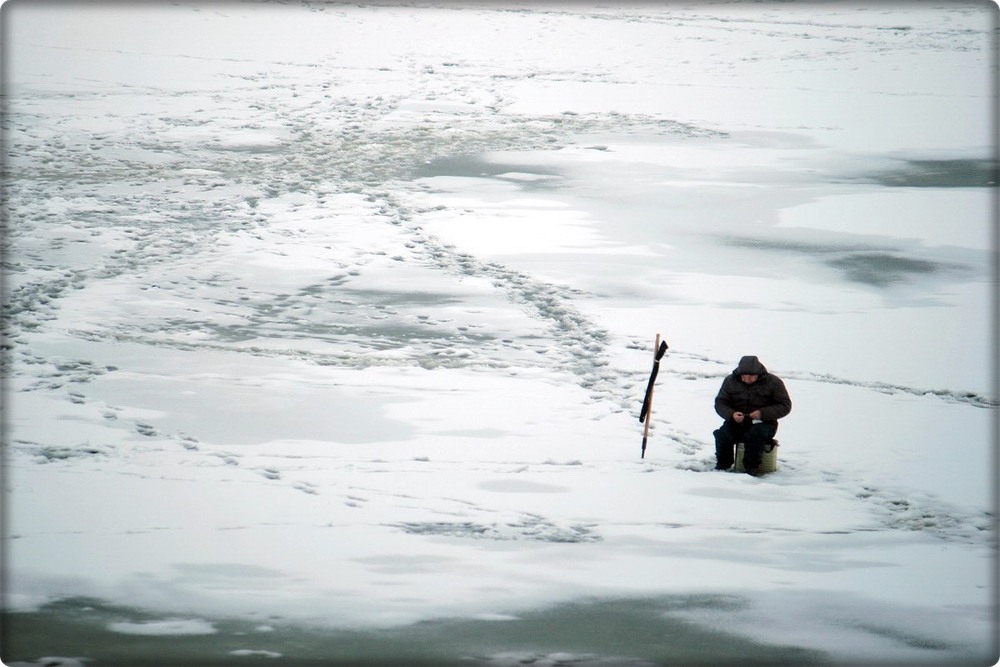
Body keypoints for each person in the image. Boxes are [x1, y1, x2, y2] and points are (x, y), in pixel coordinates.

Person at [713, 355, 791, 475]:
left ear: (758, 374)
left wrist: (762, 413)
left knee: (755, 435)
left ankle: (751, 469)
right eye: (744, 377)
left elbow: (785, 405)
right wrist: (732, 414)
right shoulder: (730, 381)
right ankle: (723, 466)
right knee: (723, 434)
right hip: (737, 421)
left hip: (765, 423)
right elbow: (720, 403)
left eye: (751, 377)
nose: (747, 380)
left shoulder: (774, 382)